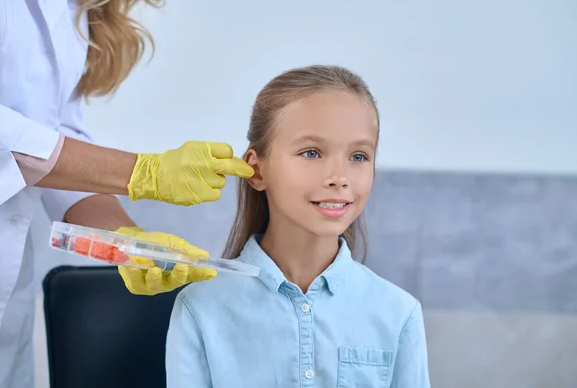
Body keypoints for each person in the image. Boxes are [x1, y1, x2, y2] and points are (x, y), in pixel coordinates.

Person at [0, 0, 253, 387]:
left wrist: (127, 240)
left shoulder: (68, 1)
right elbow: (8, 137)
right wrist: (144, 172)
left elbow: (54, 136)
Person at [165, 65, 431, 387]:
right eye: (311, 152)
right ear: (257, 171)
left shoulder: (398, 313)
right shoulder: (201, 308)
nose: (339, 177)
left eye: (359, 156)